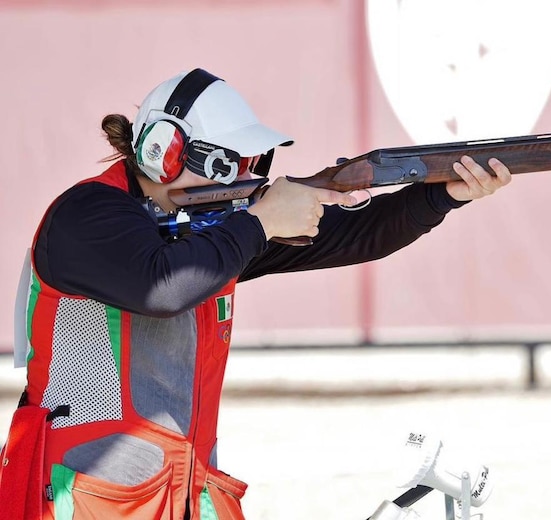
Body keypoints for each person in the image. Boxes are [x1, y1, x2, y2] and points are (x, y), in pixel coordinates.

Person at [0, 68, 511, 520]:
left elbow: (358, 235)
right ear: (165, 153)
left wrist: (440, 194)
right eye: (230, 164)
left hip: (179, 494)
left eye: (253, 162)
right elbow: (162, 286)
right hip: (84, 497)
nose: (246, 179)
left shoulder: (208, 232)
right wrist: (260, 223)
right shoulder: (87, 214)